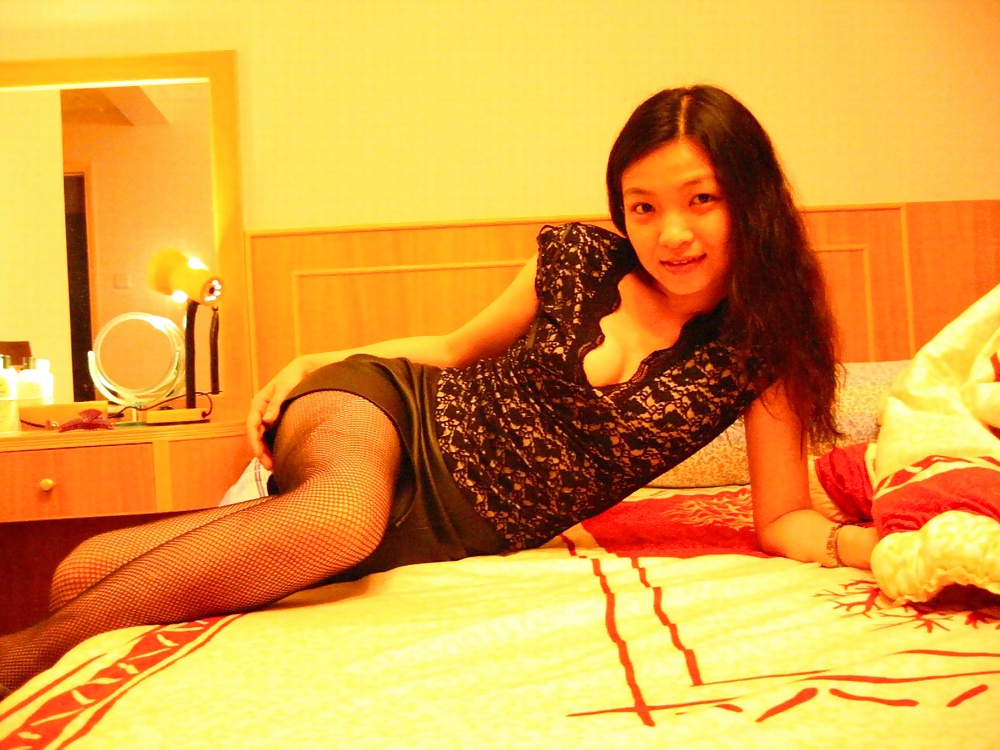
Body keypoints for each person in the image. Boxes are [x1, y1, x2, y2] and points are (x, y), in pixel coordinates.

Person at [0, 85, 878, 694]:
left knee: (82, 573)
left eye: (701, 200)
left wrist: (874, 549)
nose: (670, 232)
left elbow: (781, 518)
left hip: (440, 529)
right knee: (341, 515)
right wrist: (316, 361)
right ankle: (16, 664)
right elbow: (453, 349)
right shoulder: (578, 257)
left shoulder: (763, 351)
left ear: (751, 200)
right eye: (643, 205)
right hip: (385, 416)